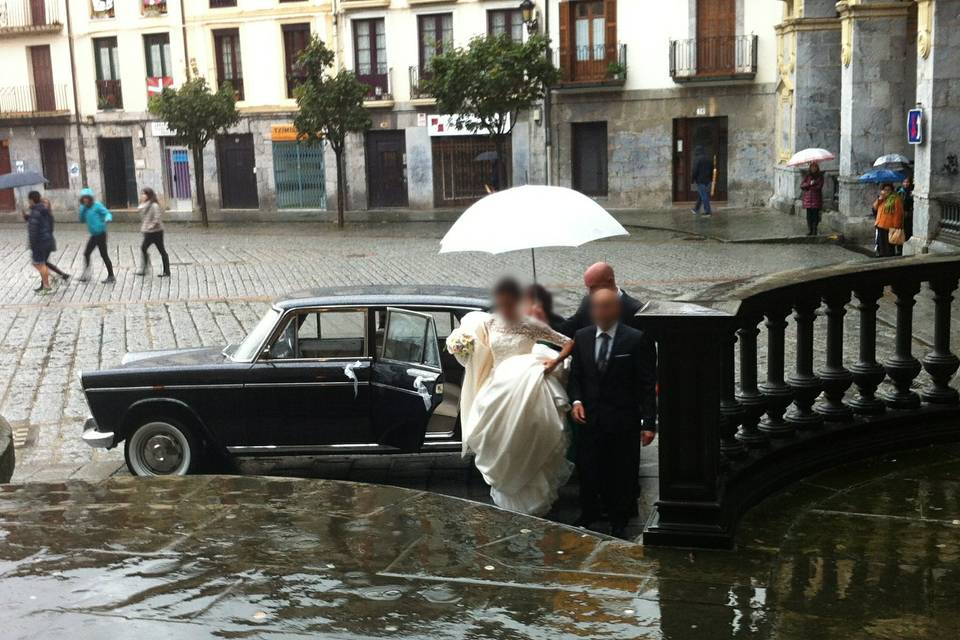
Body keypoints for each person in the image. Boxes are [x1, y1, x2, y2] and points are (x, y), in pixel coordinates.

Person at [447, 277, 576, 516]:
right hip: (497, 390)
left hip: (527, 389)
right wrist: (460, 345)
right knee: (495, 437)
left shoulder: (530, 324)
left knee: (528, 438)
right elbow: (477, 350)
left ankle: (533, 496)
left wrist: (555, 360)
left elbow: (568, 342)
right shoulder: (489, 323)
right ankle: (508, 493)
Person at [568, 289, 658, 538]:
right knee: (588, 468)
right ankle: (588, 514)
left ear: (616, 310)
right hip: (590, 419)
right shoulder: (582, 337)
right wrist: (576, 401)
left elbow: (646, 383)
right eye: (596, 308)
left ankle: (619, 519)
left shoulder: (635, 339)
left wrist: (649, 422)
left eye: (606, 307)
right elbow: (576, 376)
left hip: (622, 419)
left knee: (621, 471)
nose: (600, 313)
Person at [560, 262, 645, 337]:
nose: (590, 293)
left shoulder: (636, 311)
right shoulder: (588, 302)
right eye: (588, 288)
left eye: (593, 287)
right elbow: (569, 328)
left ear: (610, 281)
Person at [22, 194, 69, 283]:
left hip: (46, 242)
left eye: (46, 203)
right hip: (44, 241)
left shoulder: (48, 215)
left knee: (41, 263)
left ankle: (53, 279)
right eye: (43, 203)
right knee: (43, 263)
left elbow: (47, 228)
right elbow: (36, 222)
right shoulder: (39, 213)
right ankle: (59, 276)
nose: (44, 205)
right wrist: (27, 217)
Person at [78, 187, 115, 284]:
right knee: (86, 253)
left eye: (87, 198)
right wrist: (82, 210)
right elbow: (81, 220)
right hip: (94, 235)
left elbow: (107, 213)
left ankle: (111, 276)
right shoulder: (84, 208)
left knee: (104, 255)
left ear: (90, 198)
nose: (85, 200)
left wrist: (107, 219)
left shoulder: (97, 206)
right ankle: (86, 274)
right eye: (84, 198)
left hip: (101, 234)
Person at [135, 187, 170, 278]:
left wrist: (152, 225)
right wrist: (142, 201)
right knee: (143, 248)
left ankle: (166, 271)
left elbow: (157, 217)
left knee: (161, 250)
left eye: (144, 194)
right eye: (142, 194)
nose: (142, 196)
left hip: (156, 232)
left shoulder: (154, 205)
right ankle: (145, 267)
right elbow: (139, 208)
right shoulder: (145, 204)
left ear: (149, 195)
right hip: (148, 232)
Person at [25, 191, 55, 294]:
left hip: (38, 242)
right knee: (41, 263)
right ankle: (48, 282)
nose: (28, 202)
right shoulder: (42, 210)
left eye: (29, 200)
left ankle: (48, 285)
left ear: (32, 200)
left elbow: (33, 231)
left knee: (38, 263)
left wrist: (32, 245)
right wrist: (27, 217)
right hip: (45, 240)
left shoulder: (35, 212)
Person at [874, 182, 904, 258]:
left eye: (888, 190)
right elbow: (874, 208)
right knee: (881, 246)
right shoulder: (881, 199)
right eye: (885, 190)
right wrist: (879, 199)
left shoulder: (896, 199)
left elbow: (898, 214)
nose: (886, 191)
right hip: (880, 225)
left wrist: (896, 227)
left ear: (892, 191)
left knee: (889, 247)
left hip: (890, 227)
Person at [800, 162, 824, 236]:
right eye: (812, 167)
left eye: (815, 167)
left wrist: (810, 186)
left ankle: (814, 230)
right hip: (808, 199)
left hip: (816, 199)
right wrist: (809, 184)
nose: (813, 168)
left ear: (817, 168)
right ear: (810, 168)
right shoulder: (808, 176)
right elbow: (802, 185)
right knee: (809, 216)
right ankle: (810, 230)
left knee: (815, 215)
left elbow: (819, 187)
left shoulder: (820, 176)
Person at [690, 146, 713, 216]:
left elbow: (695, 170)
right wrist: (711, 179)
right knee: (702, 195)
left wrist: (692, 180)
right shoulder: (708, 159)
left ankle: (708, 211)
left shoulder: (697, 159)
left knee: (704, 196)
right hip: (708, 180)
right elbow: (712, 170)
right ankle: (696, 209)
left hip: (700, 181)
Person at [898, 176, 914, 242]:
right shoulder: (899, 191)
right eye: (904, 182)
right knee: (901, 231)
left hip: (909, 215)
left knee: (908, 231)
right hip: (901, 214)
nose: (905, 184)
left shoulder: (912, 191)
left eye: (907, 182)